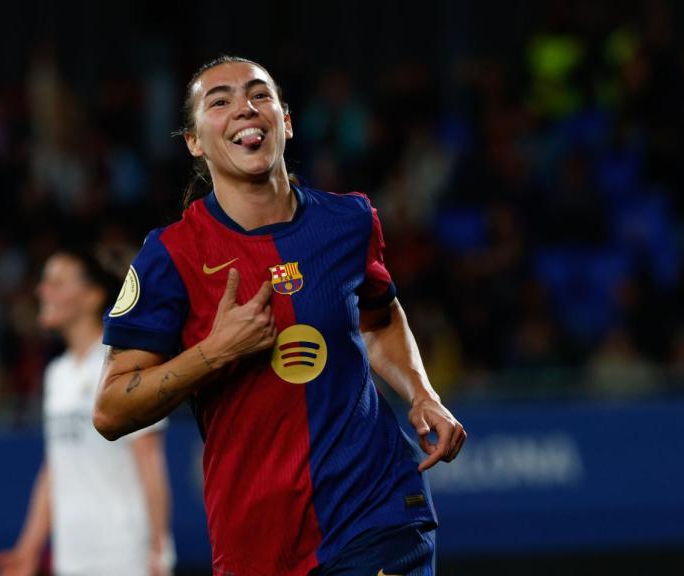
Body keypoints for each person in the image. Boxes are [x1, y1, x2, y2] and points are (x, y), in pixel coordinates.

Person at [93, 55, 467, 575]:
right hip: (258, 543)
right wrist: (214, 352)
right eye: (219, 102)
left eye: (258, 95)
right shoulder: (171, 257)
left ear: (285, 122)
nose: (244, 109)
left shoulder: (350, 221)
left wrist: (424, 395)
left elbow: (378, 319)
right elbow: (110, 410)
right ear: (194, 141)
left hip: (377, 511)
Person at [0, 248, 174, 576]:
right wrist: (29, 550)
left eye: (56, 282)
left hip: (125, 556)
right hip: (71, 559)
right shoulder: (56, 374)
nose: (42, 291)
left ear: (92, 296)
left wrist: (160, 548)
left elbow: (149, 459)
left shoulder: (125, 363)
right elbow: (55, 467)